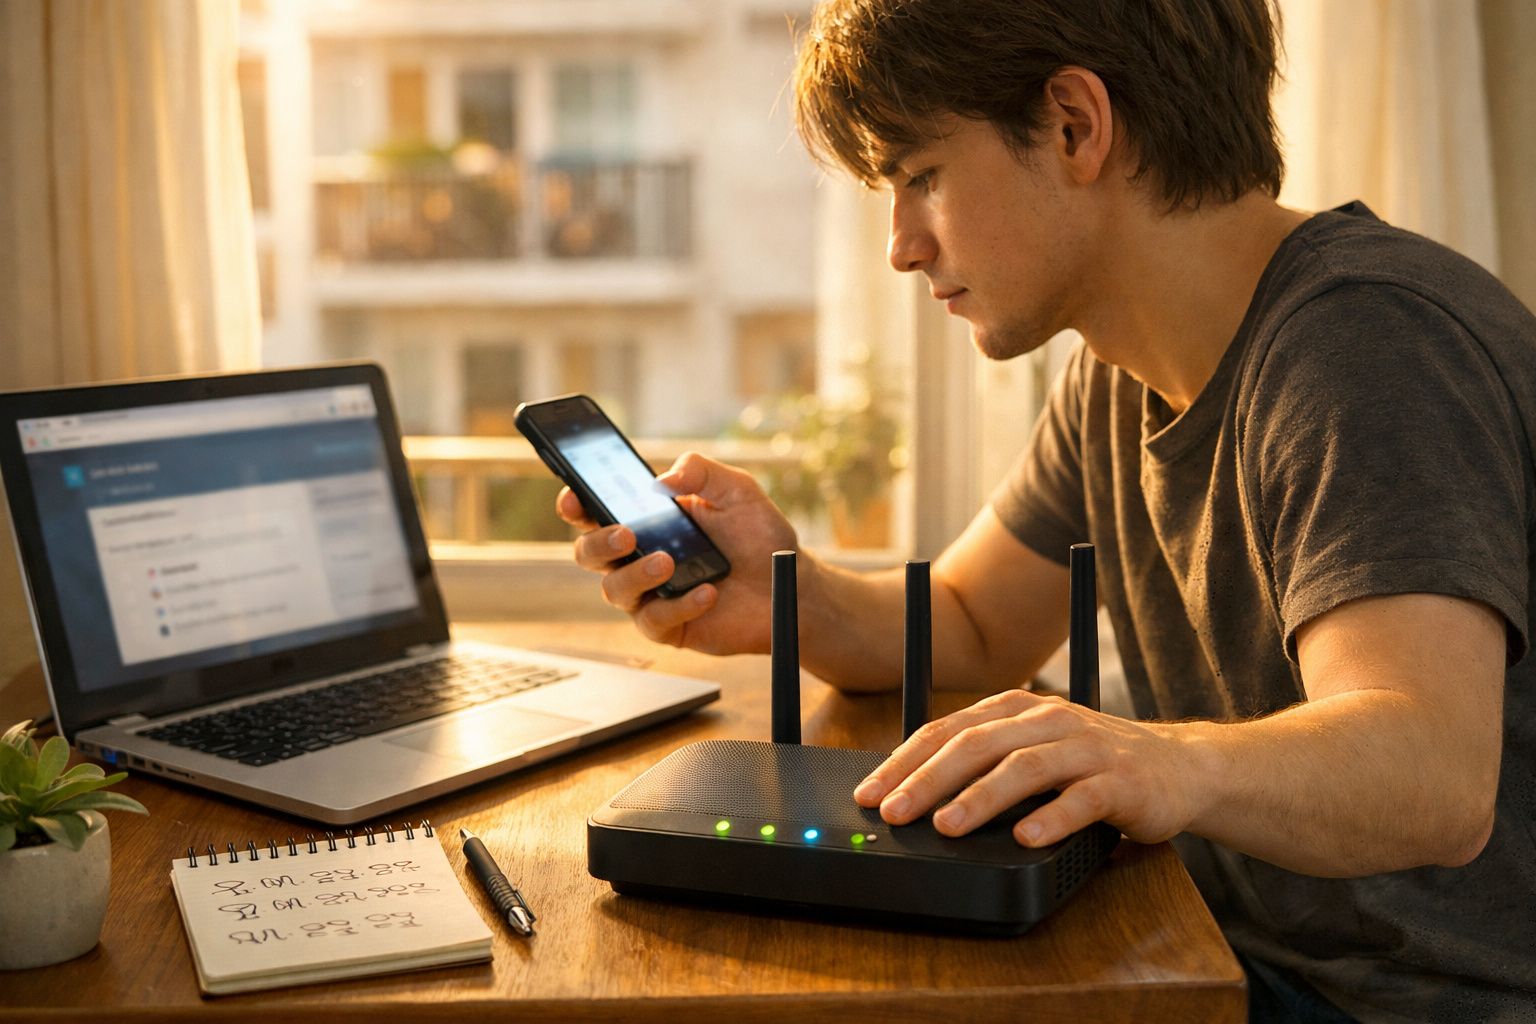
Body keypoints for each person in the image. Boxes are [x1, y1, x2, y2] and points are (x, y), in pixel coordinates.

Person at [556, 1, 1536, 1020]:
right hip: (1232, 948)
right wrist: (783, 593)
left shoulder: (1367, 345)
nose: (901, 245)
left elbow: (1432, 772)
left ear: (1074, 124)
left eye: (921, 175)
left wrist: (1160, 755)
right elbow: (979, 624)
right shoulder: (1119, 374)